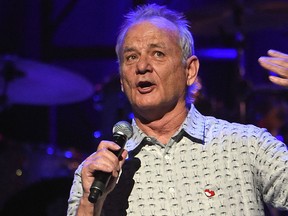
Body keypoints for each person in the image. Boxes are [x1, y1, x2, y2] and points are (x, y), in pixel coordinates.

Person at [67, 4, 288, 216]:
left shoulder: (246, 145)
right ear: (123, 81)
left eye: (158, 54)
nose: (142, 66)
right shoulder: (96, 173)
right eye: (131, 57)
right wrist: (89, 202)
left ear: (190, 71)